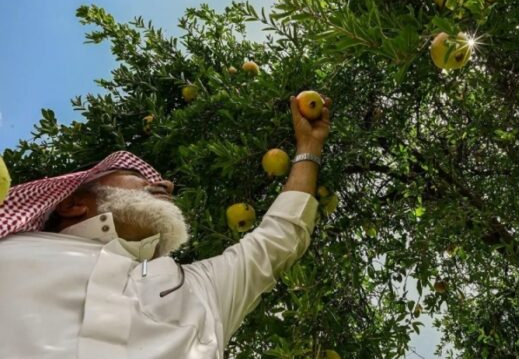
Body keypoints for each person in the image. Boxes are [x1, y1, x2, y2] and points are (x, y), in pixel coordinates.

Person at [0, 94, 331, 359]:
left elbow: (280, 236)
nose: (167, 185)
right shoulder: (13, 251)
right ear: (72, 204)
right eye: (141, 176)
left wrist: (309, 147)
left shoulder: (201, 289)